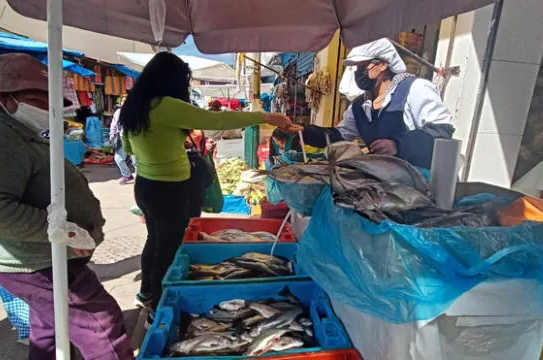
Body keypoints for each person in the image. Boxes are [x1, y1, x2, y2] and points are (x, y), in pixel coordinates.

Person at [0, 53, 133, 360]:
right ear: (5, 97)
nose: (46, 107)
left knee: (50, 329)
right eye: (35, 98)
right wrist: (60, 231)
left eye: (50, 99)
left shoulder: (21, 132)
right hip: (35, 262)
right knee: (101, 326)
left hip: (46, 256)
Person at [119, 52, 292, 320]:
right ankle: (159, 305)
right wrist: (265, 118)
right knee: (169, 248)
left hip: (145, 186)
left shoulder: (135, 106)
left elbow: (129, 148)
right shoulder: (165, 106)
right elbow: (216, 121)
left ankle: (146, 294)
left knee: (154, 241)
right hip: (169, 190)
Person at [288, 38, 454, 169]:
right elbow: (340, 135)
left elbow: (441, 132)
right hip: (382, 181)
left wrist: (398, 145)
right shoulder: (360, 106)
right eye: (355, 68)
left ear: (383, 64)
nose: (357, 72)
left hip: (420, 182)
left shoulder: (416, 88)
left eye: (362, 66)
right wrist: (304, 131)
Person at [110, 95, 136, 184]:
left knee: (135, 161)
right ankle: (127, 175)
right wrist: (112, 136)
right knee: (118, 159)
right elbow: (113, 125)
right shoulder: (118, 112)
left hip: (134, 139)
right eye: (122, 101)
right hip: (122, 139)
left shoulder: (136, 112)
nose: (124, 103)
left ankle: (140, 179)